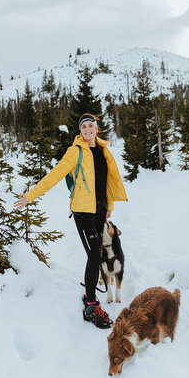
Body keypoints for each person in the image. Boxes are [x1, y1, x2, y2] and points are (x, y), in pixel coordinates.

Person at [14, 113, 127, 329]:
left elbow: (107, 181)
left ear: (97, 129)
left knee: (98, 253)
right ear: (80, 130)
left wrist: (109, 206)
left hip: (100, 210)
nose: (87, 130)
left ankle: (89, 294)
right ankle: (91, 306)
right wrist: (30, 196)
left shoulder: (103, 150)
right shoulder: (75, 152)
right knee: (94, 253)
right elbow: (55, 175)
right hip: (82, 212)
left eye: (90, 126)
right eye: (84, 126)